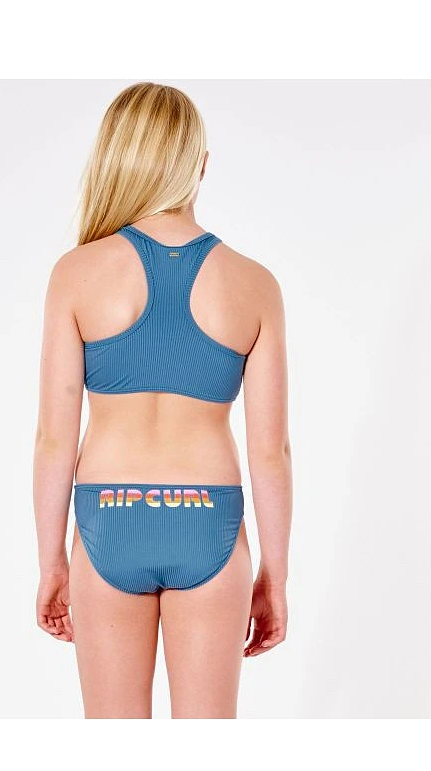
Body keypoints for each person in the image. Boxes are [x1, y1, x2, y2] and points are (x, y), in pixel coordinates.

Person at [33, 82, 292, 718]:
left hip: (108, 518)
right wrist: (275, 576)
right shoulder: (254, 284)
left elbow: (53, 439)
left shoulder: (77, 274)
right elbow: (272, 453)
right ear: (200, 163)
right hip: (209, 520)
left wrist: (52, 563)